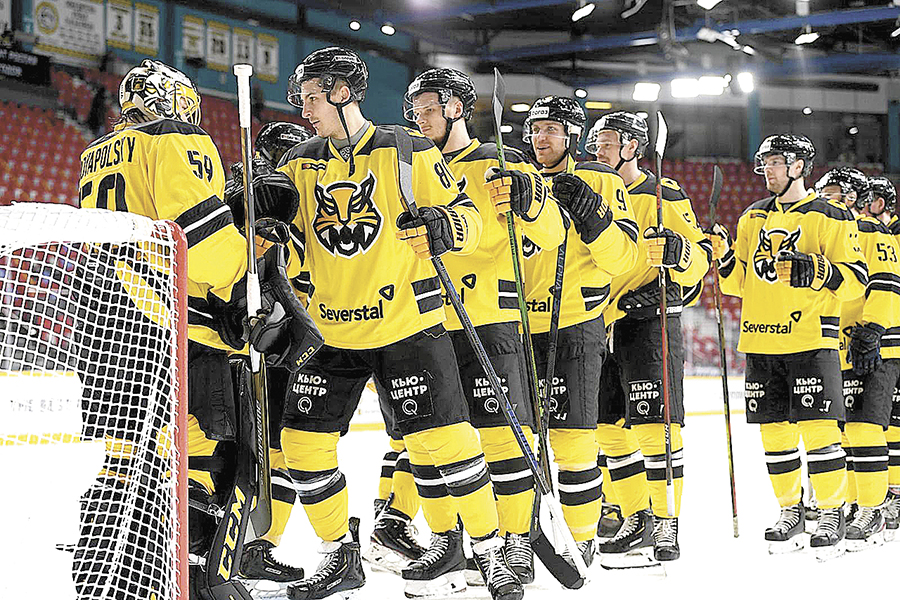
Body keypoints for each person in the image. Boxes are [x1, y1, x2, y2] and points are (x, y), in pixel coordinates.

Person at [273, 47, 522, 600]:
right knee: (301, 444)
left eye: (313, 98)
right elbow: (289, 240)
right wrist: (258, 214)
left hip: (408, 324)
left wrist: (445, 226)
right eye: (303, 100)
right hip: (329, 330)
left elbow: (472, 218)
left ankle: (488, 552)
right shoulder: (300, 161)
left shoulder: (406, 149)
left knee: (445, 443)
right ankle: (339, 555)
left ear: (343, 93)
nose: (305, 111)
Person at [78, 59, 317, 600]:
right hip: (174, 325)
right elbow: (200, 238)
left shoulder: (97, 153)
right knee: (206, 450)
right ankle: (197, 578)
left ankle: (110, 576)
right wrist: (248, 281)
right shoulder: (175, 136)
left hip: (105, 323)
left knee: (128, 460)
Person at [400, 67, 566, 585]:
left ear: (456, 108)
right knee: (429, 439)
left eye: (429, 109)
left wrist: (530, 200)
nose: (420, 119)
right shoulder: (408, 164)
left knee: (500, 439)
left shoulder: (502, 161)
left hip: (489, 318)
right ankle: (448, 540)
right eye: (415, 111)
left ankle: (515, 541)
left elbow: (554, 233)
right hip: (423, 320)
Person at [709, 134, 866, 560]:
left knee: (819, 432)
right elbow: (739, 283)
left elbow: (857, 280)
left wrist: (817, 270)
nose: (768, 170)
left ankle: (830, 512)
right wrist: (724, 256)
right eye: (765, 162)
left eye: (776, 162)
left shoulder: (831, 214)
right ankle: (789, 511)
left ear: (799, 166)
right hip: (761, 339)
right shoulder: (752, 216)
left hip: (811, 338)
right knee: (775, 433)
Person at [510, 95, 639, 566]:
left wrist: (595, 219)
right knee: (515, 443)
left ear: (573, 135)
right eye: (535, 129)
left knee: (572, 441)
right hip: (515, 327)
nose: (540, 138)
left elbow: (624, 258)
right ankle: (519, 540)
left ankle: (580, 537)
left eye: (551, 129)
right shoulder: (516, 178)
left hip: (574, 325)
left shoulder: (601, 178)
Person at [586, 111, 711, 564]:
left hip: (647, 323)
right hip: (595, 324)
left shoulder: (664, 194)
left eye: (608, 142)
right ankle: (636, 517)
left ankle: (665, 521)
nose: (598, 149)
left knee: (656, 427)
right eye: (596, 142)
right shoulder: (591, 189)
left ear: (633, 147)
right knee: (606, 429)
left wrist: (680, 254)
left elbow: (699, 258)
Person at [224, 121, 316, 588]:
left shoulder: (302, 203)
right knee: (253, 449)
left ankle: (254, 547)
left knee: (275, 450)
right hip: (254, 338)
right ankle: (237, 546)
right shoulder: (252, 193)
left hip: (279, 342)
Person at [816, 168, 899, 550]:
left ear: (854, 196)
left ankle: (874, 507)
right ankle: (854, 502)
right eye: (823, 190)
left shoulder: (870, 230)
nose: (826, 197)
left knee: (867, 428)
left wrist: (872, 330)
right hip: (835, 345)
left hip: (874, 345)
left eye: (834, 191)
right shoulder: (827, 229)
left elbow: (886, 284)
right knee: (844, 432)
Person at [868, 175, 900, 540]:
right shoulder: (865, 234)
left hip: (895, 338)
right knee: (880, 422)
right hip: (879, 340)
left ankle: (895, 494)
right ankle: (883, 493)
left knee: (896, 423)